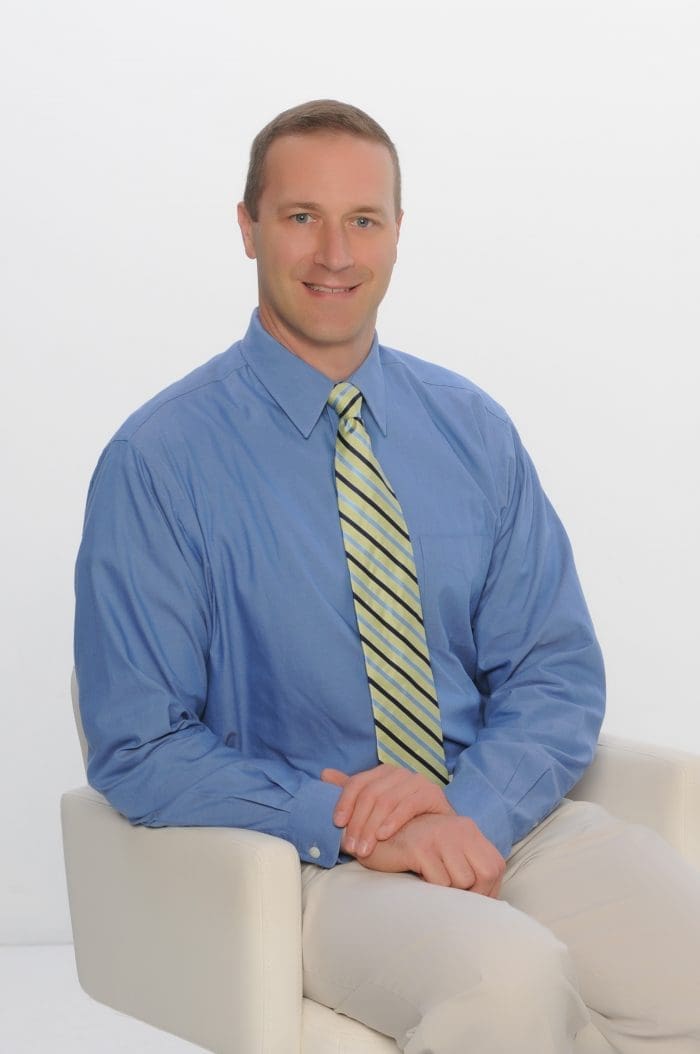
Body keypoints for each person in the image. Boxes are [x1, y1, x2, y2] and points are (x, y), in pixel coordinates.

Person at [74, 100, 700, 1053]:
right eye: (300, 217)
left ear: (398, 234)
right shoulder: (159, 462)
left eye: (362, 220)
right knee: (510, 983)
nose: (335, 253)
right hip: (307, 863)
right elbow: (137, 741)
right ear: (246, 227)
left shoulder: (471, 428)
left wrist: (470, 810)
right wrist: (355, 821)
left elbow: (554, 669)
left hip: (494, 813)